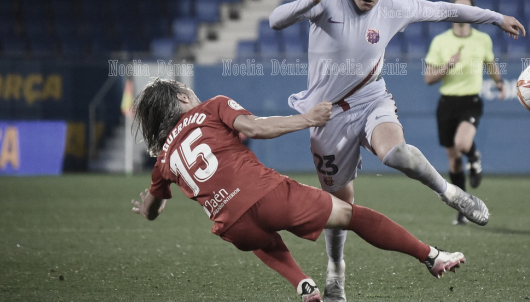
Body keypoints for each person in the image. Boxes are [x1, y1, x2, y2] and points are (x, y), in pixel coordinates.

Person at [269, 0, 525, 301]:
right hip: (327, 115)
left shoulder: (393, 8)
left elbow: (444, 9)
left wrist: (497, 18)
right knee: (340, 207)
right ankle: (336, 271)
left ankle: (450, 193)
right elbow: (275, 20)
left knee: (397, 153)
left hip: (370, 98)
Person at [130, 78, 469, 302]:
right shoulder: (211, 107)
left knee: (260, 237)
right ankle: (432, 257)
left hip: (232, 227)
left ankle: (302, 284)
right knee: (352, 216)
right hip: (266, 195)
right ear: (180, 97)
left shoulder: (164, 160)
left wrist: (146, 204)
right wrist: (307, 119)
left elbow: (153, 210)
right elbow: (255, 128)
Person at [424, 0, 506, 225]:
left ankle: (474, 155)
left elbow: (490, 63)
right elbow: (428, 78)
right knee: (453, 161)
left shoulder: (482, 39)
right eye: (458, 9)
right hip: (447, 103)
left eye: (467, 9)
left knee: (462, 144)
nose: (462, 13)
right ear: (452, 12)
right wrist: (447, 66)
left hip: (470, 101)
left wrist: (499, 83)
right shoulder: (440, 41)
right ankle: (463, 208)